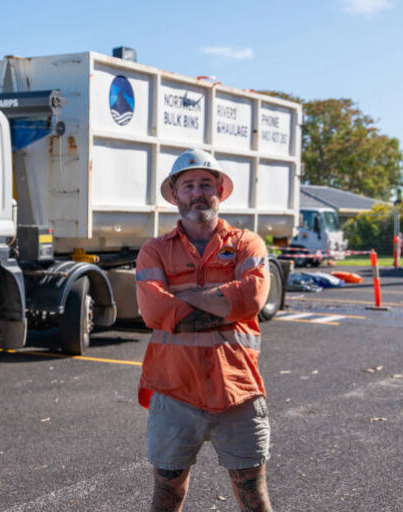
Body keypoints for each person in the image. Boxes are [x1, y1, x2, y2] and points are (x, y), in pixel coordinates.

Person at [135, 148, 273, 512]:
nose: (197, 192)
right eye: (188, 185)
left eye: (206, 184)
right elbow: (153, 310)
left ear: (220, 192)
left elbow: (250, 300)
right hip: (174, 391)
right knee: (167, 496)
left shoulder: (247, 244)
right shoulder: (154, 251)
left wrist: (182, 295)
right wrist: (224, 304)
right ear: (176, 195)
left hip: (237, 393)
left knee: (254, 498)